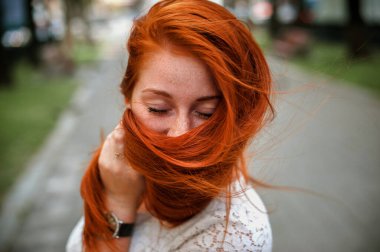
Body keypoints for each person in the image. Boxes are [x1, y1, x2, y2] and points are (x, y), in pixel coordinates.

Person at [66, 0, 274, 251]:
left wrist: (119, 202)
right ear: (127, 98)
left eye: (206, 113)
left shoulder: (234, 234)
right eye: (158, 109)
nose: (180, 133)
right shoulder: (121, 170)